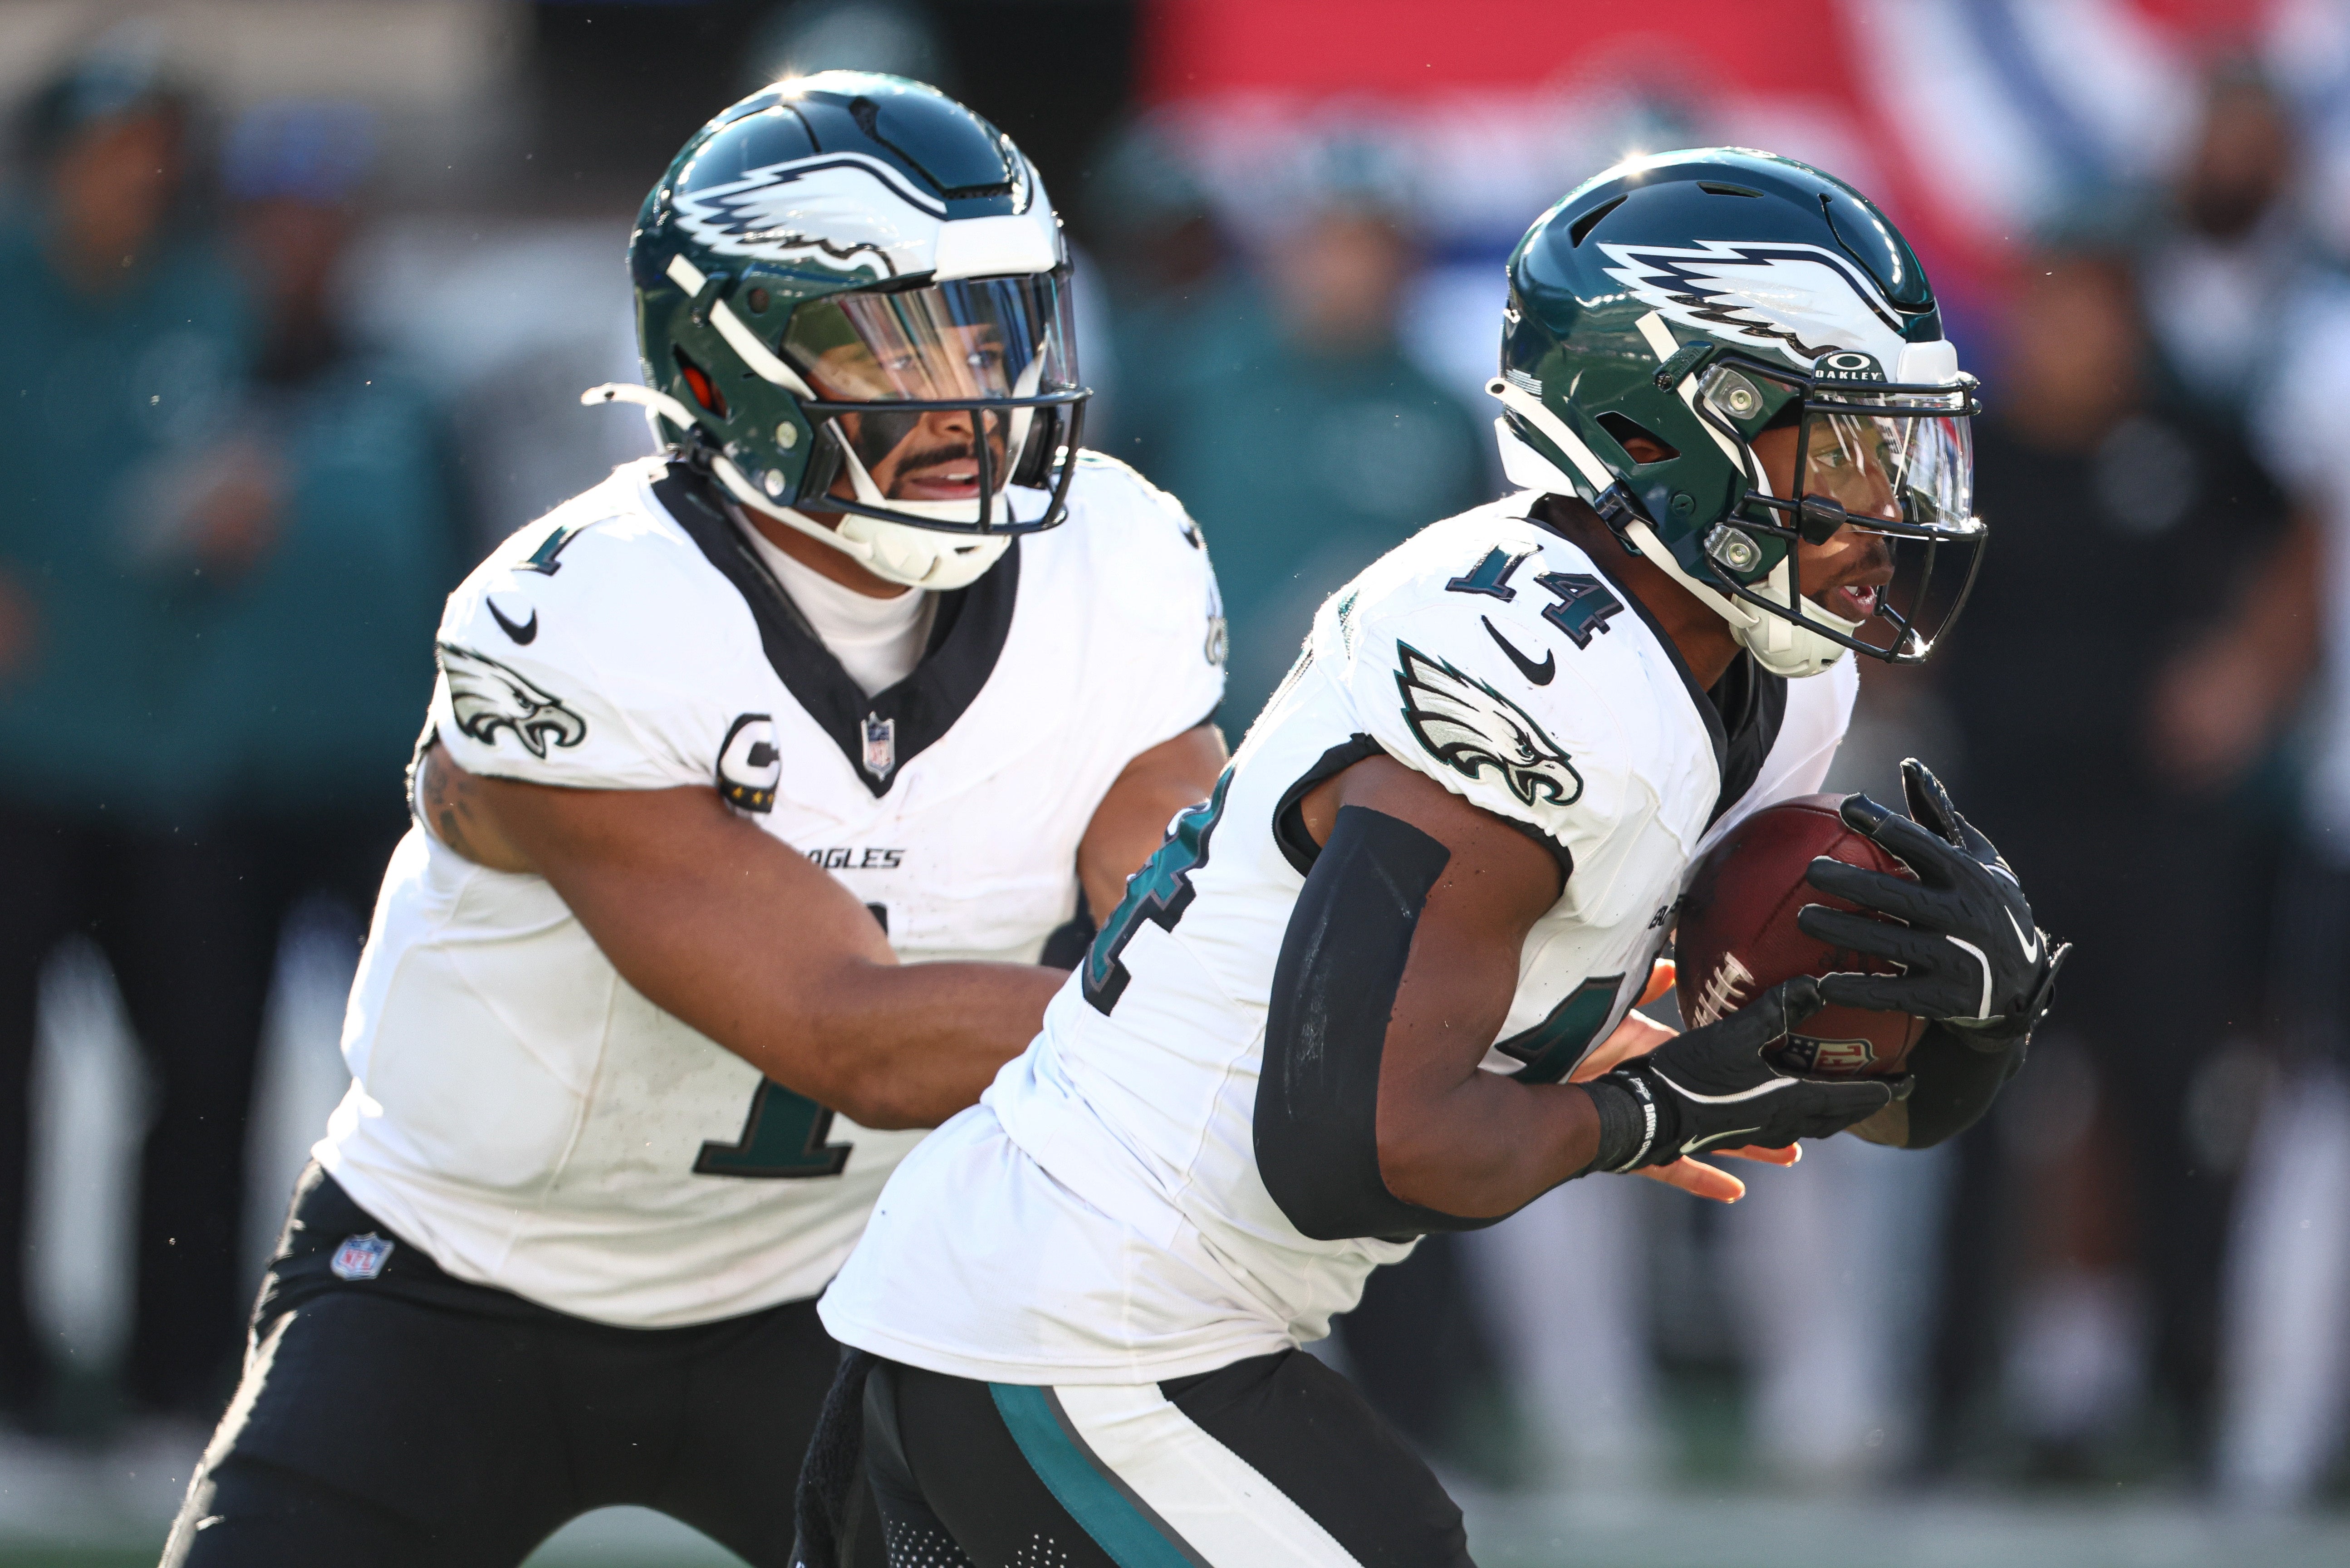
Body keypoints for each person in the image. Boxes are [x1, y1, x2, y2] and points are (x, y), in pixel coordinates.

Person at [808, 149, 2066, 1566]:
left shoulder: (1766, 671)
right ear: (1654, 432)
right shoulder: (1534, 670)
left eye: (1893, 440)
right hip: (1078, 1317)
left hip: (1108, 1311)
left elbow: (1813, 1075)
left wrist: (1947, 1032)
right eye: (1831, 439)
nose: (1884, 492)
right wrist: (1654, 1114)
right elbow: (1354, 1150)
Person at [163, 73, 1227, 1567]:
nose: (968, 391)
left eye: (989, 328)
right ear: (723, 370)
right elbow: (842, 1032)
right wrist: (1256, 1017)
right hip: (455, 1277)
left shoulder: (1117, 566)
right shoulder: (580, 617)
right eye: (890, 340)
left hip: (838, 1289)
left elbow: (1205, 913)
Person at [0, 39, 263, 1426]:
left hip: (168, 753)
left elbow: (216, 487)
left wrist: (230, 524)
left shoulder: (209, 293)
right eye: (114, 146)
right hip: (17, 759)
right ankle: (15, 1385)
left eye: (157, 145)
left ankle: (182, 1374)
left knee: (204, 1074)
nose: (140, 173)